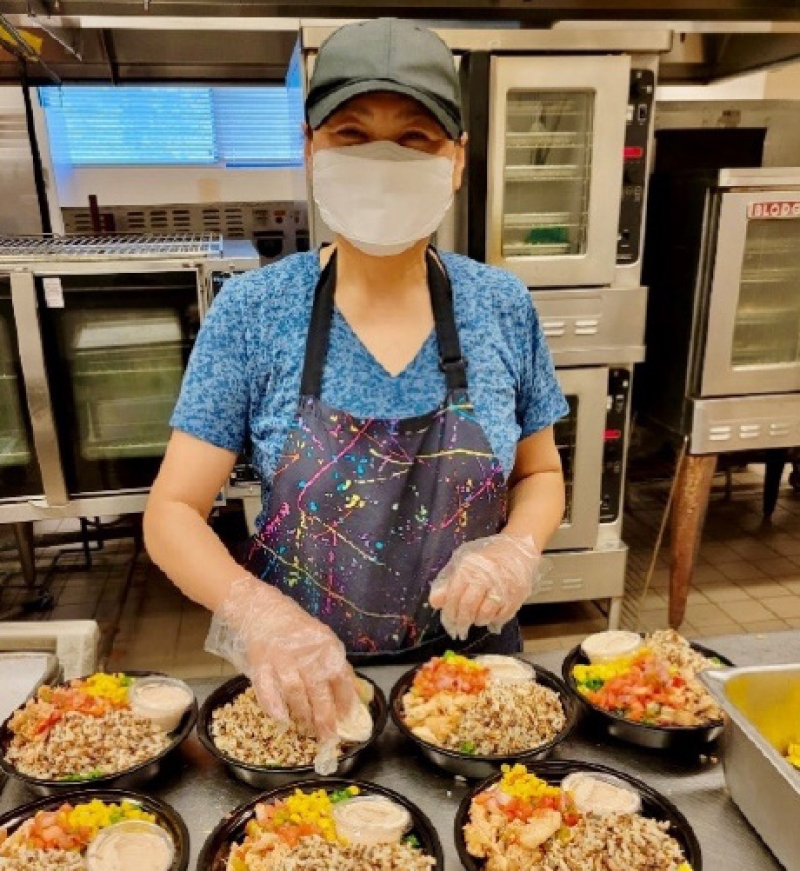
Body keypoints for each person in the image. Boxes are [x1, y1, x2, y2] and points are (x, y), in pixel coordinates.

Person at [143, 18, 567, 750]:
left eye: (414, 139)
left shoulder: (501, 305)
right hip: (305, 700)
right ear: (311, 150)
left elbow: (543, 472)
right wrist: (261, 615)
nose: (382, 161)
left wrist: (516, 549)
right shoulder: (254, 312)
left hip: (478, 697)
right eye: (350, 134)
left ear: (457, 160)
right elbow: (173, 511)